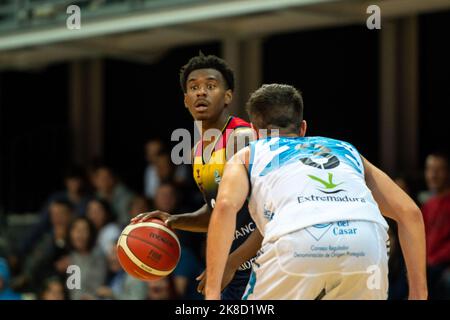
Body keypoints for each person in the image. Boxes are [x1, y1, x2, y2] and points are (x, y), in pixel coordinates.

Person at [205, 84, 427, 300]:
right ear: (302, 128)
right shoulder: (346, 149)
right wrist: (419, 293)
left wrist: (212, 293)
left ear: (254, 132)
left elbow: (224, 207)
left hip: (296, 241)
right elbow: (410, 213)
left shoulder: (248, 153)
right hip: (367, 242)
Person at [133, 53, 260, 300]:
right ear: (185, 100)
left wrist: (232, 262)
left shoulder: (244, 138)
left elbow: (274, 212)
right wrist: (174, 220)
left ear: (227, 96)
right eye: (194, 88)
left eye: (210, 86)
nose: (201, 92)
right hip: (233, 270)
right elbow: (216, 211)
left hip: (264, 265)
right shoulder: (198, 151)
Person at [421, 152, 450, 299]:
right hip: (428, 265)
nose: (433, 175)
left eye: (438, 170)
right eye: (430, 169)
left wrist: (433, 259)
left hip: (443, 265)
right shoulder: (427, 205)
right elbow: (420, 238)